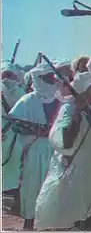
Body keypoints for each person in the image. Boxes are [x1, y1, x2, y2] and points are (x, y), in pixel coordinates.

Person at [35, 72, 91, 230]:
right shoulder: (68, 109)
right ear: (85, 89)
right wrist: (77, 113)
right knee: (70, 219)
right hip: (73, 175)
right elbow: (64, 143)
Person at [8, 63, 62, 230]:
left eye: (52, 77)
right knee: (33, 188)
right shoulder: (27, 100)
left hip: (56, 151)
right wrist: (37, 130)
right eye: (47, 78)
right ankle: (29, 224)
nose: (52, 81)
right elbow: (14, 123)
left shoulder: (60, 100)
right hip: (34, 151)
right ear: (38, 79)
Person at [2, 61, 26, 214]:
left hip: (17, 135)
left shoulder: (21, 93)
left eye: (10, 75)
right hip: (3, 135)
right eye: (5, 75)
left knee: (17, 167)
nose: (7, 78)